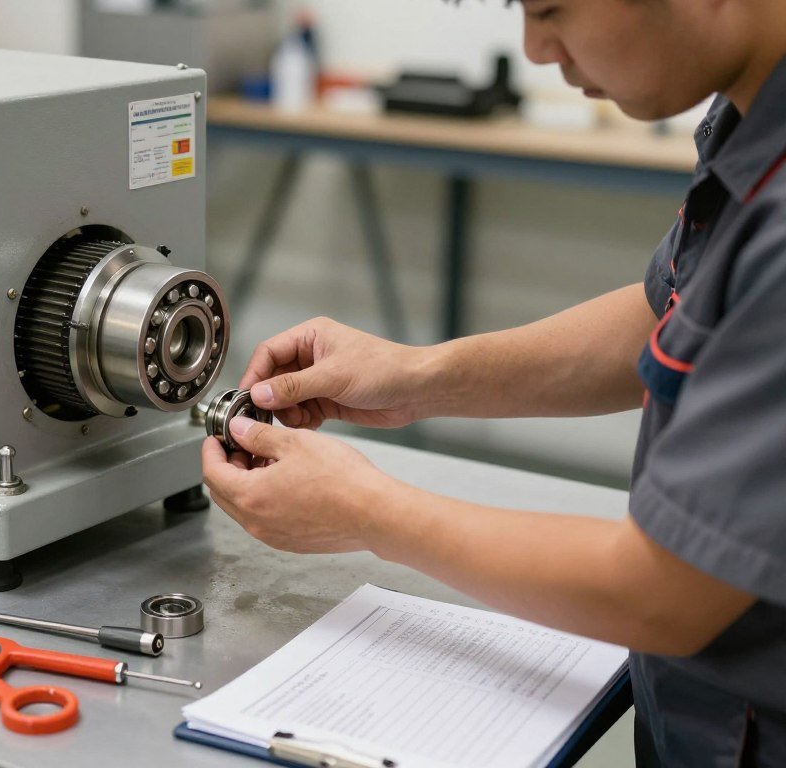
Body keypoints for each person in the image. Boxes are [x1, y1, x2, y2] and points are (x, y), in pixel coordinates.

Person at [201, 1, 786, 765]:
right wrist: (417, 375)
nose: (536, 50)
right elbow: (671, 310)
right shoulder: (751, 113)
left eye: (551, 11)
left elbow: (664, 594)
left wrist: (366, 512)